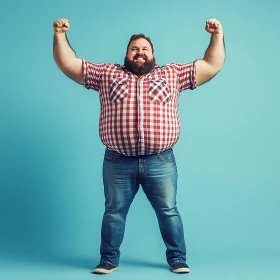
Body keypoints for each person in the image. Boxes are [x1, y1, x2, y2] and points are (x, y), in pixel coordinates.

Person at [53, 17, 225, 274]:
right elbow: (67, 63)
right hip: (118, 161)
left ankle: (178, 259)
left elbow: (212, 64)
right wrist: (59, 34)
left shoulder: (172, 74)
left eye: (145, 48)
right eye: (134, 48)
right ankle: (108, 261)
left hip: (160, 160)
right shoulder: (107, 74)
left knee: (168, 211)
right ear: (126, 54)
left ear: (154, 54)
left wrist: (216, 35)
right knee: (113, 212)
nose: (140, 52)